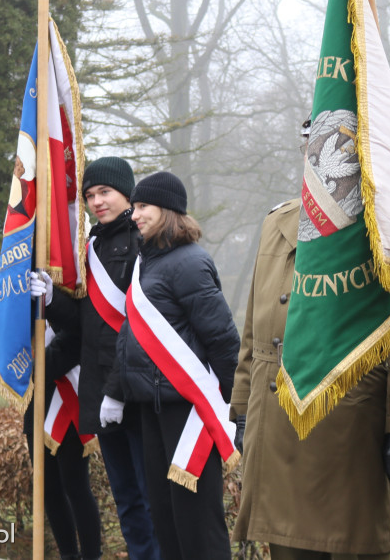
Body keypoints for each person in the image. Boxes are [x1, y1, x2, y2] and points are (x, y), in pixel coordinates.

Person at [230, 119, 390, 560]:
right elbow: (254, 329)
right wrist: (242, 406)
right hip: (277, 417)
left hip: (347, 425)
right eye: (313, 151)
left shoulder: (383, 233)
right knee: (286, 547)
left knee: (345, 545)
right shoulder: (277, 222)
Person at [104, 171, 240, 560]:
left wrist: (238, 413)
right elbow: (132, 336)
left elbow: (224, 342)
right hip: (152, 409)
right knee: (165, 521)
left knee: (198, 527)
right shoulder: (146, 263)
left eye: (143, 207)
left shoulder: (191, 262)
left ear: (168, 211)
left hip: (188, 414)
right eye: (135, 207)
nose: (135, 215)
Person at [31, 156, 160, 560]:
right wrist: (52, 300)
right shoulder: (92, 248)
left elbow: (137, 328)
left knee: (151, 495)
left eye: (105, 192)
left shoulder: (146, 245)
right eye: (89, 196)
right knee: (126, 500)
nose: (97, 202)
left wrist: (119, 389)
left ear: (127, 193)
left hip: (137, 393)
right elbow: (88, 326)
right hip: (103, 396)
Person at [22, 348, 102, 560]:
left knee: (75, 486)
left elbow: (73, 339)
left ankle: (91, 556)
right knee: (47, 488)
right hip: (37, 396)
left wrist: (41, 363)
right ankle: (68, 555)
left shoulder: (63, 313)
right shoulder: (30, 314)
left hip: (66, 395)